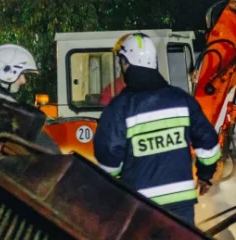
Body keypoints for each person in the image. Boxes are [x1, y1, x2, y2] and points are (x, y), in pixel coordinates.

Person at [93, 32, 221, 226]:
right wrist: (204, 175)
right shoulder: (182, 100)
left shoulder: (119, 108)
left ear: (127, 63)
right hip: (181, 206)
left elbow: (109, 161)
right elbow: (209, 144)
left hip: (140, 208)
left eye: (122, 62)